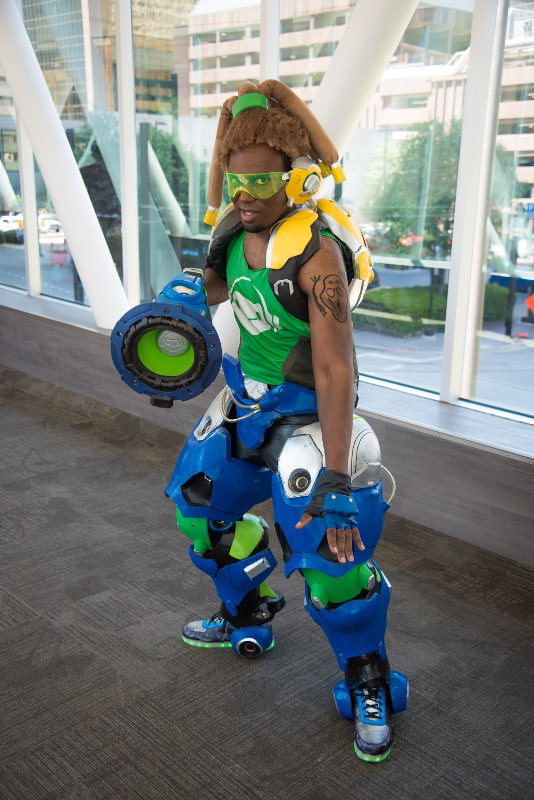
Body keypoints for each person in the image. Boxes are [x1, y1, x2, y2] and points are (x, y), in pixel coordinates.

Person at [115, 80, 407, 762]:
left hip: (309, 419)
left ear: (295, 179)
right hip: (246, 403)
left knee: (335, 545)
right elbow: (217, 303)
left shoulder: (315, 255)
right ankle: (249, 608)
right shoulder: (231, 231)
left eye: (262, 181)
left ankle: (367, 677)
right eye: (237, 180)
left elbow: (336, 372)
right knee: (198, 508)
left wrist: (338, 474)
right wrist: (176, 343)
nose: (245, 195)